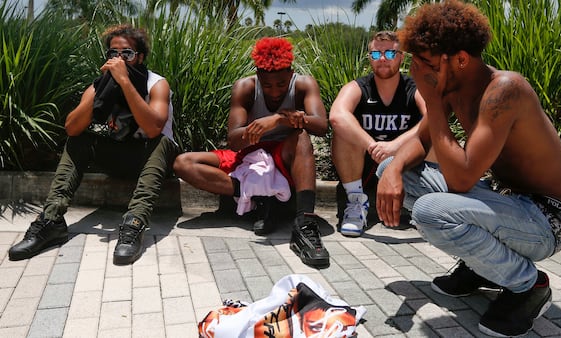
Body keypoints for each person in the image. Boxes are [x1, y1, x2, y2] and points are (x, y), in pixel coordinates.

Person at [376, 1, 561, 336]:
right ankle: (483, 267)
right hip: (510, 205)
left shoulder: (504, 90)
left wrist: (430, 96)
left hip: (549, 220)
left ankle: (529, 286)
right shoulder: (454, 86)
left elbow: (461, 178)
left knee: (431, 211)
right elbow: (422, 142)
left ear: (460, 60)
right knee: (389, 170)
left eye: (426, 64)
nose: (417, 73)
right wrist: (396, 169)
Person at [8, 24, 179, 265]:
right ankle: (51, 220)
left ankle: (134, 224)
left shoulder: (156, 84)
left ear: (140, 57)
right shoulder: (99, 84)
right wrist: (104, 90)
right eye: (113, 54)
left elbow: (153, 128)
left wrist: (125, 83)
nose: (119, 60)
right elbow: (72, 128)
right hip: (119, 155)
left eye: (126, 54)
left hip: (151, 159)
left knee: (161, 141)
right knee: (81, 138)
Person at [173, 37, 330, 268]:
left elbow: (321, 126)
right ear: (257, 76)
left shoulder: (304, 84)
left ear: (291, 74)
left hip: (284, 155)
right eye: (267, 85)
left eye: (281, 84)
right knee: (182, 163)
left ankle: (305, 224)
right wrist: (260, 126)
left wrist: (276, 119)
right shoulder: (245, 87)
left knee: (302, 137)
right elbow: (234, 142)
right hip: (250, 154)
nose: (275, 91)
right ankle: (258, 197)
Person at [329, 31, 427, 237]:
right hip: (364, 161)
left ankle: (427, 206)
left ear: (401, 57)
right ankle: (356, 202)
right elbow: (337, 115)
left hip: (404, 159)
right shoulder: (358, 87)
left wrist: (394, 146)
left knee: (434, 134)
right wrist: (371, 144)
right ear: (369, 58)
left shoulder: (414, 88)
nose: (383, 59)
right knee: (342, 132)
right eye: (376, 54)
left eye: (390, 53)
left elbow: (434, 118)